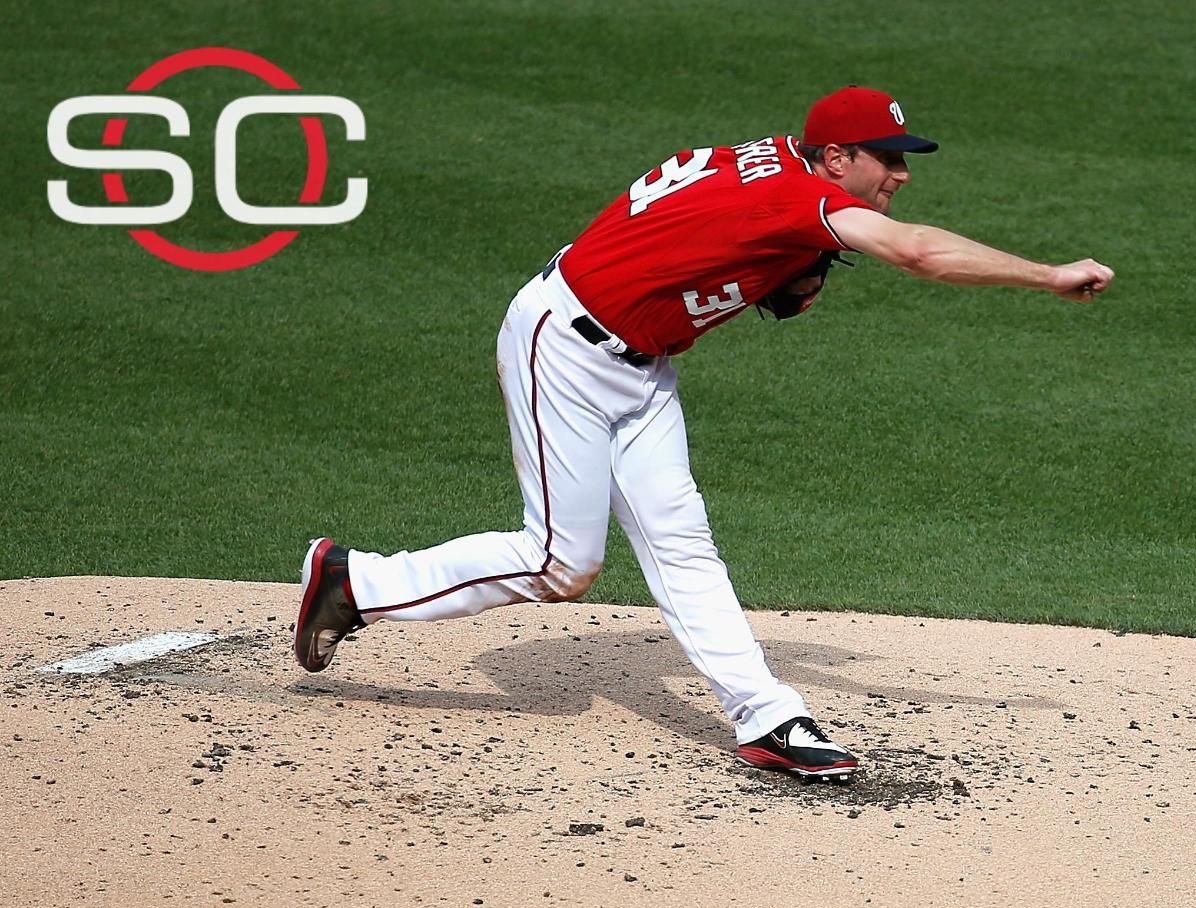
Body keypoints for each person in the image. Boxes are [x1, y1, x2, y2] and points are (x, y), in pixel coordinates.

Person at [292, 85, 1114, 781]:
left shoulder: (773, 166)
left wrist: (747, 274)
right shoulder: (795, 194)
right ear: (834, 159)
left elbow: (689, 232)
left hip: (640, 361)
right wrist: (1047, 275)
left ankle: (767, 717)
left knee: (682, 539)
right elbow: (919, 255)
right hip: (566, 347)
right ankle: (353, 581)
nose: (900, 173)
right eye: (886, 157)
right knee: (561, 562)